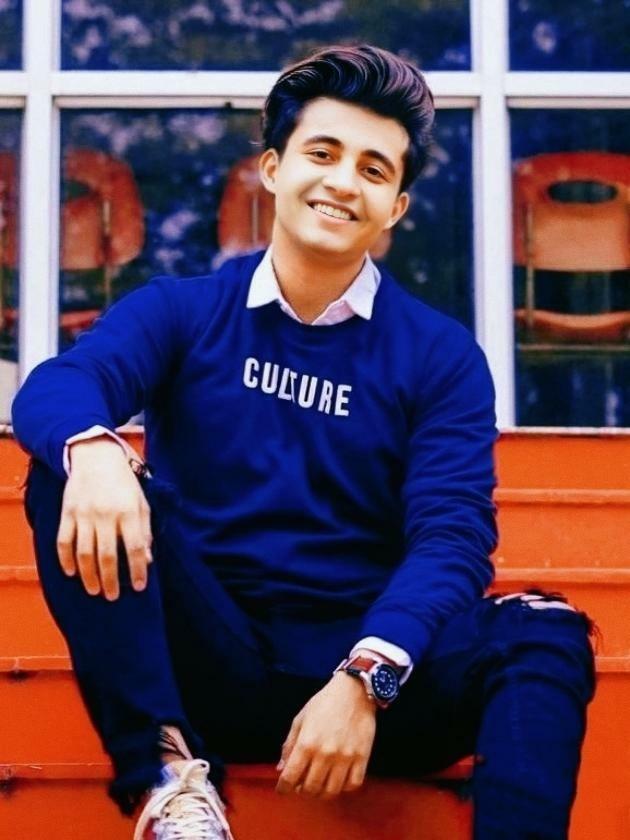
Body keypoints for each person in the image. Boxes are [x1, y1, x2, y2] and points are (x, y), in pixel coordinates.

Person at [12, 44, 595, 840]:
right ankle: (170, 781)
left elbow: (453, 538)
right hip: (210, 663)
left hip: (366, 682)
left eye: (373, 169)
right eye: (322, 154)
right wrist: (96, 450)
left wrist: (365, 679)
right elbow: (59, 386)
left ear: (394, 208)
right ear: (273, 168)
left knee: (544, 631)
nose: (343, 182)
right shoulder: (184, 310)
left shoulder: (440, 356)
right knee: (67, 468)